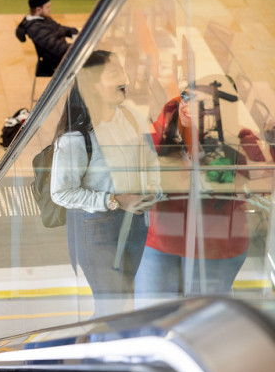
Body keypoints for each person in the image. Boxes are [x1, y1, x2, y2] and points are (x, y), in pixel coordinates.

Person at [50, 50, 161, 318]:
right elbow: (61, 193)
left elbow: (150, 160)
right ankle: (100, 350)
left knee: (125, 299)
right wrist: (115, 200)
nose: (125, 78)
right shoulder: (76, 137)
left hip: (135, 222)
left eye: (122, 70)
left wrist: (153, 188)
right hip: (98, 229)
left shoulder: (132, 117)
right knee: (110, 307)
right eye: (114, 73)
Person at [135, 92, 248, 307]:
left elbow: (253, 180)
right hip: (163, 238)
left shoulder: (235, 140)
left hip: (214, 242)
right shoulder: (165, 124)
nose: (189, 104)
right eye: (186, 96)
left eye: (201, 100)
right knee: (150, 316)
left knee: (201, 319)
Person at [15, 0, 79, 75]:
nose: (50, 9)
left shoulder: (43, 18)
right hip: (55, 63)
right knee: (96, 60)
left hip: (63, 56)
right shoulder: (35, 28)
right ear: (38, 10)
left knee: (98, 57)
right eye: (47, 7)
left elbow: (59, 28)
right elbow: (57, 48)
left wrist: (73, 32)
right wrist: (78, 47)